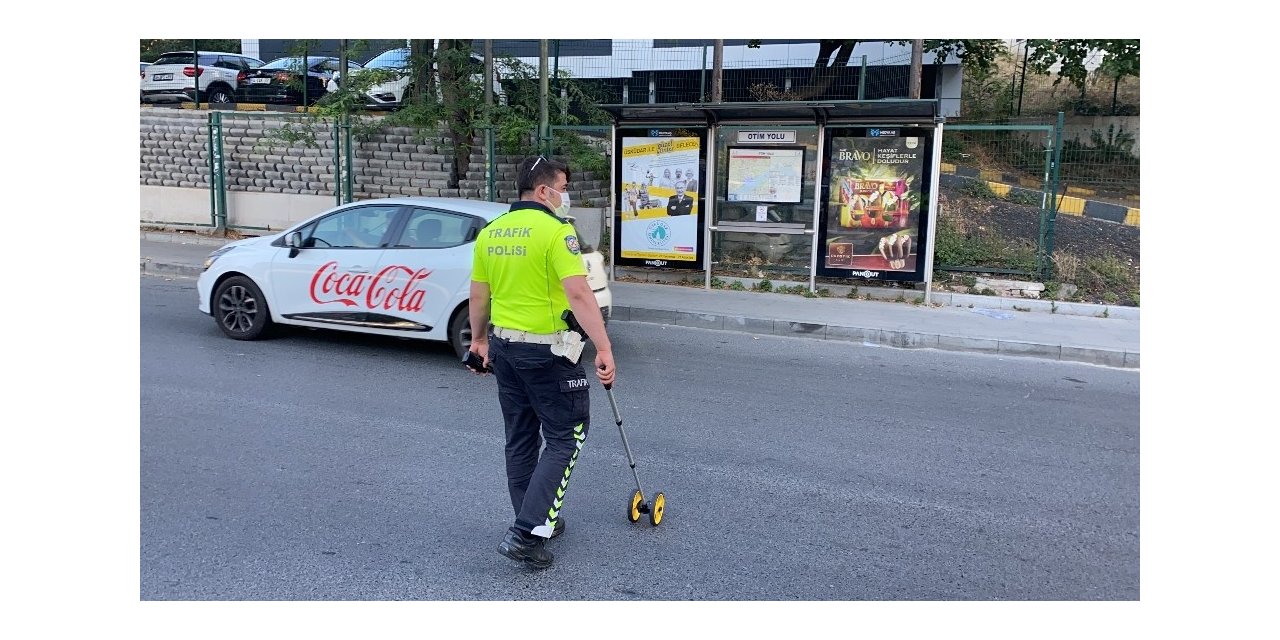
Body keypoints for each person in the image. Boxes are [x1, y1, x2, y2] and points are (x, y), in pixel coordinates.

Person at [467, 155, 616, 569]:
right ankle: (526, 532)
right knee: (566, 438)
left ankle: (531, 516)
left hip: (504, 348)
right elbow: (580, 294)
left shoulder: (492, 233)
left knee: (520, 437)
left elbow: (479, 297)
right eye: (564, 187)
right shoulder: (556, 232)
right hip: (548, 353)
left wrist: (479, 340)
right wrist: (603, 348)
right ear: (543, 191)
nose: (565, 196)